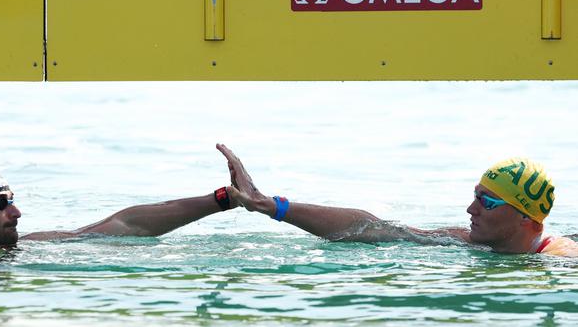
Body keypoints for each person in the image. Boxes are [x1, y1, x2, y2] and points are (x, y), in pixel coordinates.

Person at [216, 144, 578, 257]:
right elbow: (373, 229)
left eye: (488, 202)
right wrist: (270, 206)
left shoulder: (561, 261)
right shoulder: (469, 241)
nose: (471, 209)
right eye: (475, 197)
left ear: (526, 218)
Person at [0, 158, 235, 252]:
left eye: (12, 201)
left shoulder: (34, 246)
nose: (16, 212)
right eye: (0, 204)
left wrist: (223, 199)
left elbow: (127, 226)